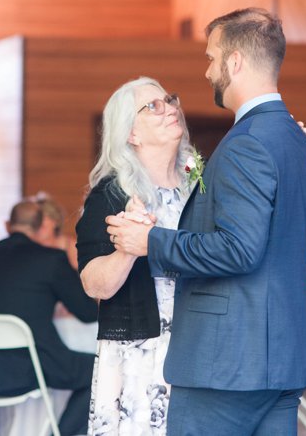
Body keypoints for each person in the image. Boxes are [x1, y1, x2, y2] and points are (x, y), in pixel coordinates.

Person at [106, 8, 306, 436]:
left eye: (211, 57)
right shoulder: (297, 140)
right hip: (284, 355)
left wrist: (153, 241)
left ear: (235, 62)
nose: (207, 71)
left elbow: (240, 249)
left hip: (229, 360)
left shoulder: (247, 144)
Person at [75, 77, 196, 434]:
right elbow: (95, 286)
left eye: (170, 100)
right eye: (153, 107)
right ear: (131, 134)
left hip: (200, 342)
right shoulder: (111, 194)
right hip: (143, 351)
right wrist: (127, 251)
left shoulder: (199, 185)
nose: (170, 109)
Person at [0, 201, 98, 436]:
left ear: (7, 226)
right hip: (30, 367)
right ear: (39, 227)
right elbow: (87, 313)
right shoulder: (51, 259)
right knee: (98, 371)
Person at [33, 192, 80, 269]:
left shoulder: (70, 246)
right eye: (35, 218)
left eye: (43, 217)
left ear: (55, 221)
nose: (38, 222)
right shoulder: (29, 246)